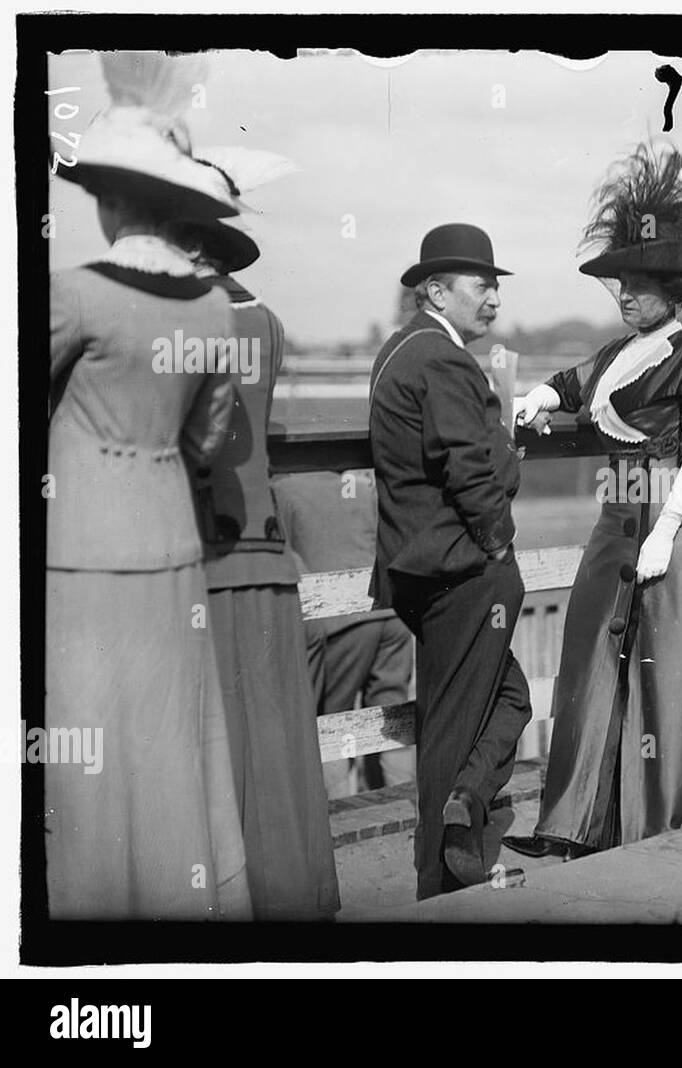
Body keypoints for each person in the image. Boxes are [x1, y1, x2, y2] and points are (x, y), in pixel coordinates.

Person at [45, 52, 252, 919]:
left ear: (118, 202)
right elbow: (207, 439)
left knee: (86, 746)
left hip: (82, 552)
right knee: (169, 743)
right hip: (170, 546)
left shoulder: (70, 297)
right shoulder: (211, 309)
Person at [504, 143, 682, 858]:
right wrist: (535, 400)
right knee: (591, 659)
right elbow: (569, 385)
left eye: (639, 285)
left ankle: (663, 817)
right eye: (620, 284)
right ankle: (572, 823)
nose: (625, 295)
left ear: (672, 290)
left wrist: (665, 532)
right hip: (615, 517)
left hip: (670, 523)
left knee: (664, 669)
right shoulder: (617, 354)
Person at [166, 210, 341, 920]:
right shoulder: (261, 317)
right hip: (268, 548)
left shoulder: (192, 320)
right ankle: (298, 893)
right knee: (280, 738)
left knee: (224, 734)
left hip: (213, 550)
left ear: (187, 246)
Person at [369, 223, 532, 899]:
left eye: (495, 284)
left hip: (417, 567)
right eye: (481, 284)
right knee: (459, 724)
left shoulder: (399, 349)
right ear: (437, 289)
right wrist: (497, 542)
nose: (493, 297)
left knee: (495, 702)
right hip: (462, 571)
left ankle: (464, 819)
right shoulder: (444, 358)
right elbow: (473, 471)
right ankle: (441, 882)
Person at [272, 467, 415, 797]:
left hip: (341, 622)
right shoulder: (360, 486)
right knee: (392, 721)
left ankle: (335, 821)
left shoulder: (283, 489)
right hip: (389, 614)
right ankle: (402, 807)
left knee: (330, 725)